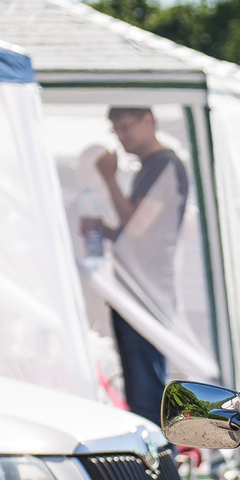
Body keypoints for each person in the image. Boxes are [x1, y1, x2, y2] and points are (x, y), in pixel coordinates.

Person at [84, 107, 191, 423]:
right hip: (135, 286)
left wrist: (108, 177)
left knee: (146, 387)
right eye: (116, 130)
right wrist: (103, 231)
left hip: (148, 289)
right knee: (138, 383)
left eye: (127, 127)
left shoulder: (165, 165)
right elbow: (137, 235)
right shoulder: (151, 167)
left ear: (149, 121)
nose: (122, 136)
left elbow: (136, 228)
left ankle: (158, 461)